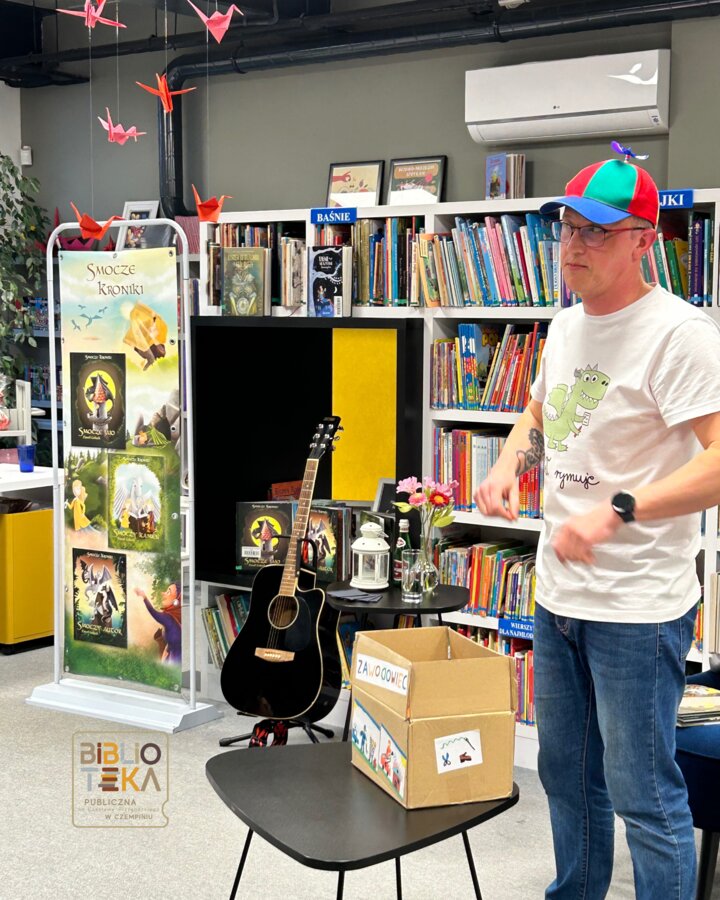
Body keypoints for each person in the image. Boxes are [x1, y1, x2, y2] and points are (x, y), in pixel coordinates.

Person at [473, 152, 720, 900]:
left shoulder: (680, 335)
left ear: (644, 241)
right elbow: (540, 412)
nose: (573, 246)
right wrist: (507, 464)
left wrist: (619, 512)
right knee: (567, 777)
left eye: (597, 233)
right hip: (558, 599)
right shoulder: (564, 325)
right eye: (568, 229)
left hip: (637, 610)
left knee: (644, 794)